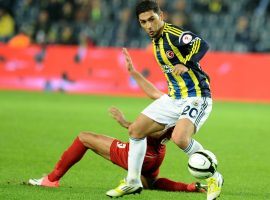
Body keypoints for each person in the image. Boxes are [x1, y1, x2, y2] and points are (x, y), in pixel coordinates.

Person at [28, 55, 207, 194]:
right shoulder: (184, 102)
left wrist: (125, 123)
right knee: (150, 183)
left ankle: (50, 180)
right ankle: (189, 187)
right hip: (156, 155)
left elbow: (153, 131)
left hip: (144, 153)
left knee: (85, 138)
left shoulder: (179, 105)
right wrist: (133, 72)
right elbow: (153, 93)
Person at [107, 1, 223, 200]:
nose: (148, 26)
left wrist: (185, 63)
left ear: (162, 15)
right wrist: (134, 73)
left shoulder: (173, 34)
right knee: (135, 130)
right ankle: (133, 181)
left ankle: (214, 177)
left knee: (179, 138)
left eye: (152, 19)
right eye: (143, 22)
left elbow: (202, 45)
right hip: (174, 98)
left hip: (196, 95)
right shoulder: (156, 41)